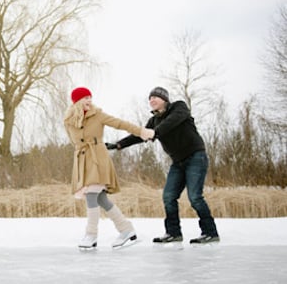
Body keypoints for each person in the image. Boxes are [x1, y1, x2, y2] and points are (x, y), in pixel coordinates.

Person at [107, 86, 220, 245]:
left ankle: (210, 232)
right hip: (177, 162)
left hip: (195, 157)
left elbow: (171, 122)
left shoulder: (179, 107)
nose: (152, 100)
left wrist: (155, 132)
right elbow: (141, 135)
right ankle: (173, 233)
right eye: (150, 98)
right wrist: (118, 145)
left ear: (165, 99)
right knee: (168, 196)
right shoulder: (154, 121)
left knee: (195, 197)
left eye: (155, 97)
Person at [64, 87, 155, 249]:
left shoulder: (98, 115)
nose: (89, 101)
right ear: (77, 101)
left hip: (98, 158)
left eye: (90, 97)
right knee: (101, 199)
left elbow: (120, 123)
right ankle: (126, 229)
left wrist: (141, 131)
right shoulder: (68, 121)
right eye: (85, 98)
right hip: (82, 160)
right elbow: (74, 142)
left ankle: (91, 235)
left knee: (92, 195)